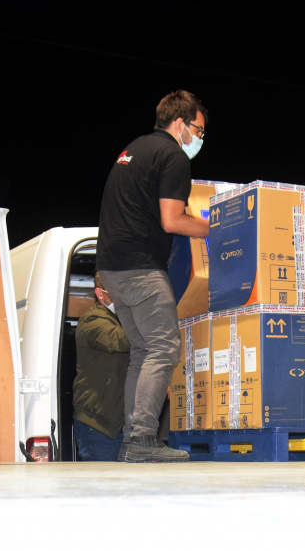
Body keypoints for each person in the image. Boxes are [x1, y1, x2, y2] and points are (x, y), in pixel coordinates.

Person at [96, 90, 210, 463]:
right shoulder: (173, 156)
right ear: (181, 124)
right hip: (139, 267)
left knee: (143, 351)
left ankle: (134, 440)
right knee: (164, 347)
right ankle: (142, 439)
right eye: (199, 130)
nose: (200, 139)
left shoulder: (134, 149)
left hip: (111, 268)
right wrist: (217, 227)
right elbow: (172, 220)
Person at [72, 272, 129, 461]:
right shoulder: (92, 320)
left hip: (118, 424)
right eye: (116, 291)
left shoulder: (121, 318)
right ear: (100, 294)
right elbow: (119, 339)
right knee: (102, 487)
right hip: (99, 425)